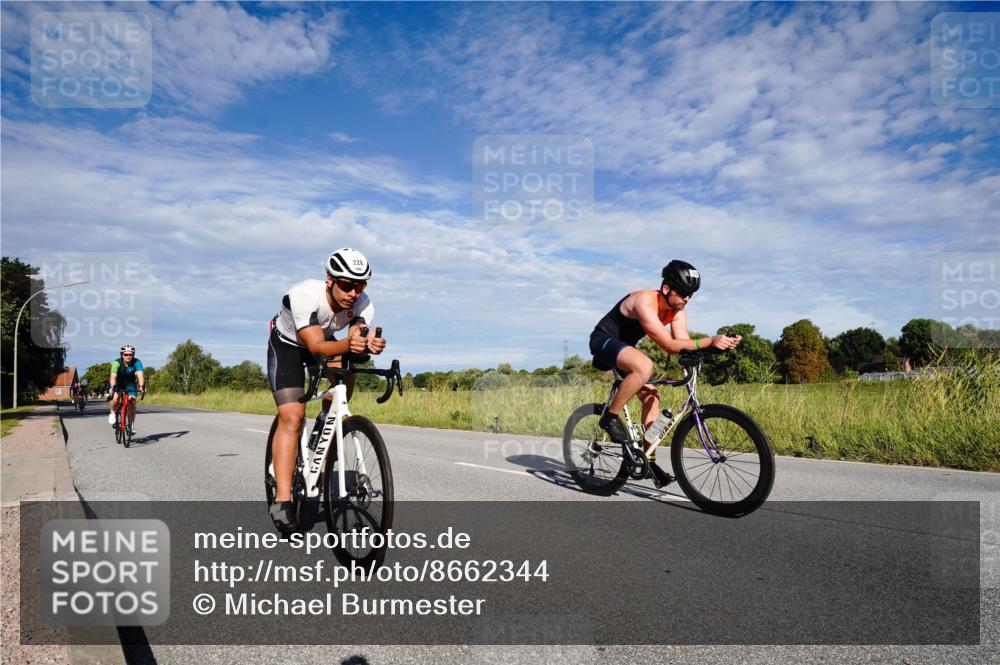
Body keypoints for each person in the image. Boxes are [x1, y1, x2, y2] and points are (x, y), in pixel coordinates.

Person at [589, 260, 742, 487]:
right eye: (683, 293)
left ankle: (647, 460)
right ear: (667, 288)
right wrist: (709, 339)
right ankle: (609, 418)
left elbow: (682, 342)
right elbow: (669, 345)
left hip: (626, 349)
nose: (687, 299)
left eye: (691, 294)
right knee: (645, 366)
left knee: (652, 397)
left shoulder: (677, 310)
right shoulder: (644, 301)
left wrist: (717, 345)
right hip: (603, 341)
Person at [267, 248, 386, 534]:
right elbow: (316, 347)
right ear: (329, 279)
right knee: (292, 418)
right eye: (346, 284)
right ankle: (282, 500)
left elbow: (354, 336)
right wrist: (348, 345)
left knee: (347, 367)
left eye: (360, 285)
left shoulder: (364, 304)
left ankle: (325, 421)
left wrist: (367, 344)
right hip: (289, 345)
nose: (353, 292)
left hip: (327, 340)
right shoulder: (304, 294)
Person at [108, 345, 146, 433]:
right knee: (116, 398)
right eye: (126, 354)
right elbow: (113, 377)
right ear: (122, 355)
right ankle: (113, 412)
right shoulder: (116, 362)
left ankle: (131, 424)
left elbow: (140, 376)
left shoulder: (137, 362)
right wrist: (113, 386)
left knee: (132, 401)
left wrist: (141, 386)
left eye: (130, 354)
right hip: (118, 383)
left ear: (133, 355)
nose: (128, 356)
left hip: (130, 383)